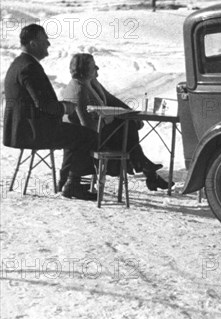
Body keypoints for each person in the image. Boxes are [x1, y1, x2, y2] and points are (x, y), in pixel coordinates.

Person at [3, 24, 98, 200]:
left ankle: (69, 182)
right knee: (87, 135)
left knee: (75, 134)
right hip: (33, 131)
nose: (48, 44)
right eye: (44, 40)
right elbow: (43, 104)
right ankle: (73, 185)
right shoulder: (29, 67)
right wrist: (65, 107)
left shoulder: (19, 64)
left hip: (22, 129)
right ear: (33, 43)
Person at [61, 53, 171, 191]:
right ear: (84, 69)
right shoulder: (78, 89)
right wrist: (109, 119)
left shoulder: (90, 83)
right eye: (93, 65)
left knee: (128, 126)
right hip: (87, 141)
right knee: (127, 128)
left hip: (97, 135)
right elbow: (88, 127)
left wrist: (132, 114)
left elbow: (112, 100)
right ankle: (147, 170)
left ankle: (147, 170)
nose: (97, 68)